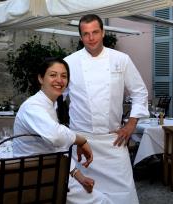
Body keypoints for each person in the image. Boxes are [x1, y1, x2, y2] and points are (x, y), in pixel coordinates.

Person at [64, 14, 149, 204]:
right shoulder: (69, 63)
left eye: (95, 32)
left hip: (113, 141)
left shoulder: (121, 59)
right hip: (81, 143)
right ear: (80, 37)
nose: (91, 38)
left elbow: (140, 93)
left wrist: (131, 125)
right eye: (86, 34)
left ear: (103, 32)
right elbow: (54, 96)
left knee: (124, 193)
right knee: (84, 195)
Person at [13, 57, 110, 200]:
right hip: (34, 181)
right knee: (103, 200)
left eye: (64, 76)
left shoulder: (51, 105)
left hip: (50, 173)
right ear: (41, 78)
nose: (59, 80)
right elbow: (56, 136)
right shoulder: (33, 107)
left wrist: (79, 176)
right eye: (53, 75)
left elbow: (56, 149)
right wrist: (81, 140)